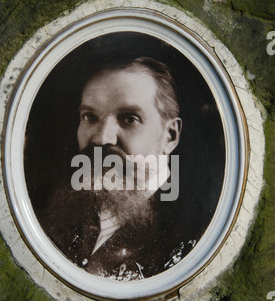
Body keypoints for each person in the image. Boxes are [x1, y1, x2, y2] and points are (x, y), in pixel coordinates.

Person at [44, 57, 198, 280]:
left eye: (129, 119)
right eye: (90, 117)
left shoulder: (192, 229)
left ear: (170, 136)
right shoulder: (59, 214)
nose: (102, 138)